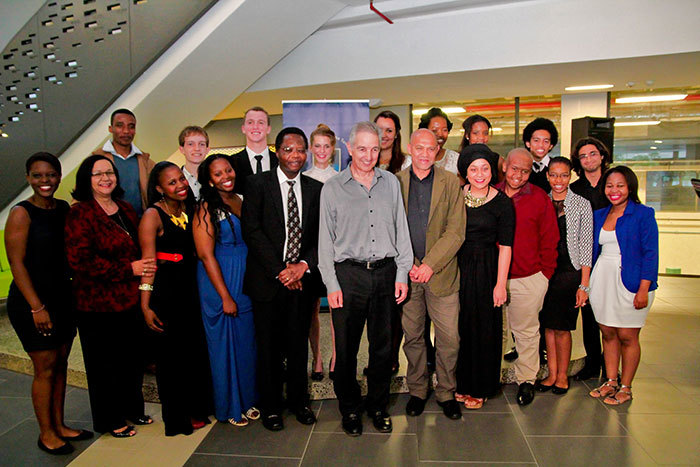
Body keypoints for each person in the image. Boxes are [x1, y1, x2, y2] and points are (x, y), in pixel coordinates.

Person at [318, 121, 413, 437]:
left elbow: (401, 230)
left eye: (375, 148)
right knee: (345, 349)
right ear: (348, 148)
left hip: (386, 274)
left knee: (383, 348)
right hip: (349, 276)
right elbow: (324, 242)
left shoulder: (391, 183)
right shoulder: (332, 188)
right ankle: (349, 409)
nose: (369, 155)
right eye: (362, 148)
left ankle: (377, 406)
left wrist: (402, 272)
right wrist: (331, 283)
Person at [4, 153, 91, 455]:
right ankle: (46, 433)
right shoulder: (21, 213)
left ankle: (60, 424)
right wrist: (36, 307)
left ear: (58, 175)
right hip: (32, 301)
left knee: (62, 363)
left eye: (51, 175)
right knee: (45, 366)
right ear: (28, 178)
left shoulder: (63, 208)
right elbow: (16, 263)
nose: (45, 181)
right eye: (38, 176)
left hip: (62, 297)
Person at [65, 155, 155, 438]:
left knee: (131, 360)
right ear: (86, 181)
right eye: (97, 174)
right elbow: (80, 262)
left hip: (128, 300)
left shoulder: (126, 208)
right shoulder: (80, 213)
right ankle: (109, 420)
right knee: (104, 366)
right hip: (97, 305)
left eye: (109, 172)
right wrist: (129, 268)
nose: (105, 178)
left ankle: (132, 409)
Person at [241, 127, 323, 431]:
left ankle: (299, 402)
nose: (296, 155)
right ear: (277, 151)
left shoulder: (315, 189)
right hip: (267, 282)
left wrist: (302, 266)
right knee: (269, 348)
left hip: (302, 281)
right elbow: (252, 231)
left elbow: (320, 237)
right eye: (289, 149)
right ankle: (272, 407)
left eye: (301, 150)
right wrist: (281, 271)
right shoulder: (256, 184)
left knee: (298, 345)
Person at [138, 162, 214, 436]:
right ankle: (177, 417)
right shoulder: (152, 215)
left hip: (191, 290)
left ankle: (197, 408)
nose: (180, 184)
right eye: (172, 182)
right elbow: (148, 263)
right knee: (171, 360)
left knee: (194, 354)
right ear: (159, 188)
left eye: (181, 179)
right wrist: (145, 305)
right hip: (165, 295)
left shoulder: (190, 209)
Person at [397, 129, 465, 419]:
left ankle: (446, 391)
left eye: (431, 148)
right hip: (407, 274)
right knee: (412, 337)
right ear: (410, 148)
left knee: (449, 339)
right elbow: (390, 228)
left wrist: (429, 265)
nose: (425, 153)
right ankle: (417, 390)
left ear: (438, 150)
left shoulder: (451, 183)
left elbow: (456, 231)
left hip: (442, 275)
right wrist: (411, 263)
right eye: (419, 148)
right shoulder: (394, 183)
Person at [193, 154, 259, 426]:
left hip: (247, 278)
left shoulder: (243, 198)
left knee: (246, 344)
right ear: (209, 180)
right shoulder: (206, 208)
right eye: (217, 174)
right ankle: (230, 406)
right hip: (221, 281)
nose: (225, 176)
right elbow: (205, 255)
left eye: (228, 170)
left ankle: (249, 399)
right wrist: (224, 296)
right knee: (225, 347)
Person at [588, 166, 658, 406]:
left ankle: (626, 386)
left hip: (631, 281)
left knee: (628, 335)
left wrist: (643, 289)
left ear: (630, 187)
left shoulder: (643, 214)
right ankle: (610, 380)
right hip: (602, 280)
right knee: (607, 333)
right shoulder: (599, 214)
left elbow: (651, 254)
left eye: (620, 185)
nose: (614, 190)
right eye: (609, 185)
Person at [495, 148, 559, 406]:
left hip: (528, 277)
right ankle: (489, 377)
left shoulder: (539, 198)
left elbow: (551, 239)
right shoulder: (490, 193)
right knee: (493, 332)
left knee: (527, 333)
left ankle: (526, 380)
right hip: (493, 279)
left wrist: (544, 275)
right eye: (514, 169)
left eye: (524, 171)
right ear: (505, 167)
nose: (518, 175)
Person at [455, 144, 514, 410]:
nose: (480, 174)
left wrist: (500, 284)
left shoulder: (503, 202)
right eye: (473, 169)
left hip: (487, 269)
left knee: (485, 329)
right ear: (465, 172)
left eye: (485, 169)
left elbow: (506, 246)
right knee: (460, 328)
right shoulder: (456, 196)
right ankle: (463, 383)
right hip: (457, 267)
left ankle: (481, 387)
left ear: (492, 171)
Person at [535, 157, 593, 395]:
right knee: (548, 325)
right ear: (548, 176)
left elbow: (586, 245)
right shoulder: (541, 201)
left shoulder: (581, 204)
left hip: (570, 272)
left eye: (564, 175)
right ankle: (550, 373)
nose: (559, 180)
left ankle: (562, 376)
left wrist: (584, 285)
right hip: (545, 272)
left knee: (563, 327)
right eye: (554, 175)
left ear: (571, 176)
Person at [569, 137, 611, 381]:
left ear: (602, 156)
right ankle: (593, 363)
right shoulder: (575, 189)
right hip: (586, 256)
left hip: (613, 254)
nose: (588, 159)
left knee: (610, 314)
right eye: (583, 156)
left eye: (592, 154)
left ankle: (611, 365)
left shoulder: (614, 183)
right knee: (589, 314)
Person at [303, 124, 339, 381]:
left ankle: (337, 356)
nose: (322, 150)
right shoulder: (303, 179)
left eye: (327, 146)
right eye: (317, 146)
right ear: (310, 149)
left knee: (338, 308)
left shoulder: (342, 179)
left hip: (337, 254)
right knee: (311, 310)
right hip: (311, 254)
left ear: (333, 149)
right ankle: (316, 358)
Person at [374, 110, 408, 374]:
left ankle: (392, 357)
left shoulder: (406, 164)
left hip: (400, 243)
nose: (384, 135)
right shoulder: (363, 162)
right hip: (372, 246)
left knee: (396, 311)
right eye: (380, 129)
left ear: (396, 133)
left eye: (389, 130)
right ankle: (378, 358)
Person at [92, 108, 154, 216]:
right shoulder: (96, 159)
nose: (126, 131)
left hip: (141, 223)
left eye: (131, 127)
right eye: (120, 125)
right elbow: (80, 195)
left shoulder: (145, 161)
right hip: (109, 224)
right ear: (111, 129)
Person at [230, 106, 278, 195]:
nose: (255, 127)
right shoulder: (231, 163)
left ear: (268, 129)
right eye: (250, 122)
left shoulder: (280, 161)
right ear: (243, 128)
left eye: (261, 122)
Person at [405, 107, 459, 175]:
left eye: (445, 130)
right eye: (434, 131)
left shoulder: (455, 158)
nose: (440, 134)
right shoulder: (409, 161)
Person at [522, 117, 558, 193]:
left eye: (546, 141)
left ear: (551, 145)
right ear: (528, 143)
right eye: (536, 140)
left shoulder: (556, 166)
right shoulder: (521, 166)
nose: (541, 145)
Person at [179, 126, 210, 200]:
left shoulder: (215, 178)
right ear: (182, 149)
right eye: (190, 144)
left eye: (201, 144)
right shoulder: (176, 181)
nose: (197, 148)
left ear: (207, 149)